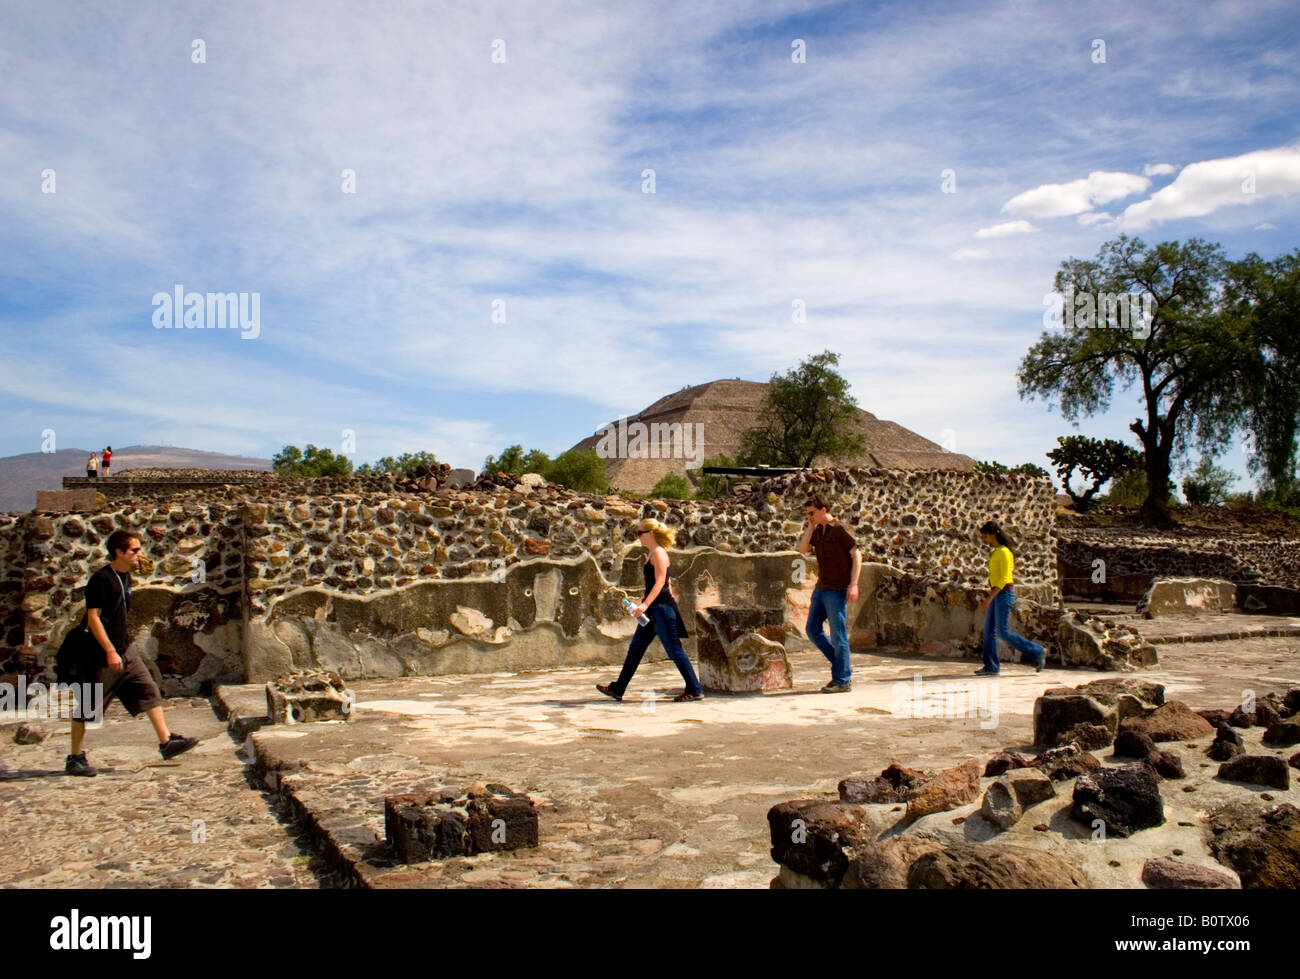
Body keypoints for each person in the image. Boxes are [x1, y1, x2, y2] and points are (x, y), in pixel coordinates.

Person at [66, 530, 199, 776]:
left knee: (148, 689)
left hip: (126, 648)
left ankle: (166, 742)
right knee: (89, 706)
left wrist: (122, 649)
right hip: (102, 654)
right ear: (119, 552)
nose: (140, 554)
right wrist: (109, 651)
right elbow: (93, 619)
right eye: (134, 550)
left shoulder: (125, 577)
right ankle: (75, 757)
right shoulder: (101, 580)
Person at [597, 518, 704, 703]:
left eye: (640, 533)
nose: (638, 537)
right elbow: (666, 583)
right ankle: (618, 688)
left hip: (661, 609)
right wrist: (644, 604)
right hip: (654, 610)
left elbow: (661, 582)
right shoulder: (651, 554)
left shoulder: (659, 553)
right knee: (635, 649)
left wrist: (645, 605)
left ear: (650, 534)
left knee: (674, 650)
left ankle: (694, 689)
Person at [797, 496, 860, 692]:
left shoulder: (840, 529)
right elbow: (802, 549)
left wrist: (854, 584)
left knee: (838, 635)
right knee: (812, 629)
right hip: (821, 587)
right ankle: (843, 667)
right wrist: (810, 527)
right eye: (808, 514)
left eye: (812, 513)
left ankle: (842, 680)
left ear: (823, 509)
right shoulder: (819, 532)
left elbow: (857, 554)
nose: (810, 516)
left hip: (837, 589)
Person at [976, 520, 1045, 676]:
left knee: (1002, 632)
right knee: (989, 632)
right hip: (996, 593)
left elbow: (1004, 578)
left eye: (985, 536)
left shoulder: (1005, 552)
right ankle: (991, 667)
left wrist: (989, 598)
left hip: (1004, 594)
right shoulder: (996, 551)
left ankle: (1037, 651)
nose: (984, 540)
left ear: (993, 535)